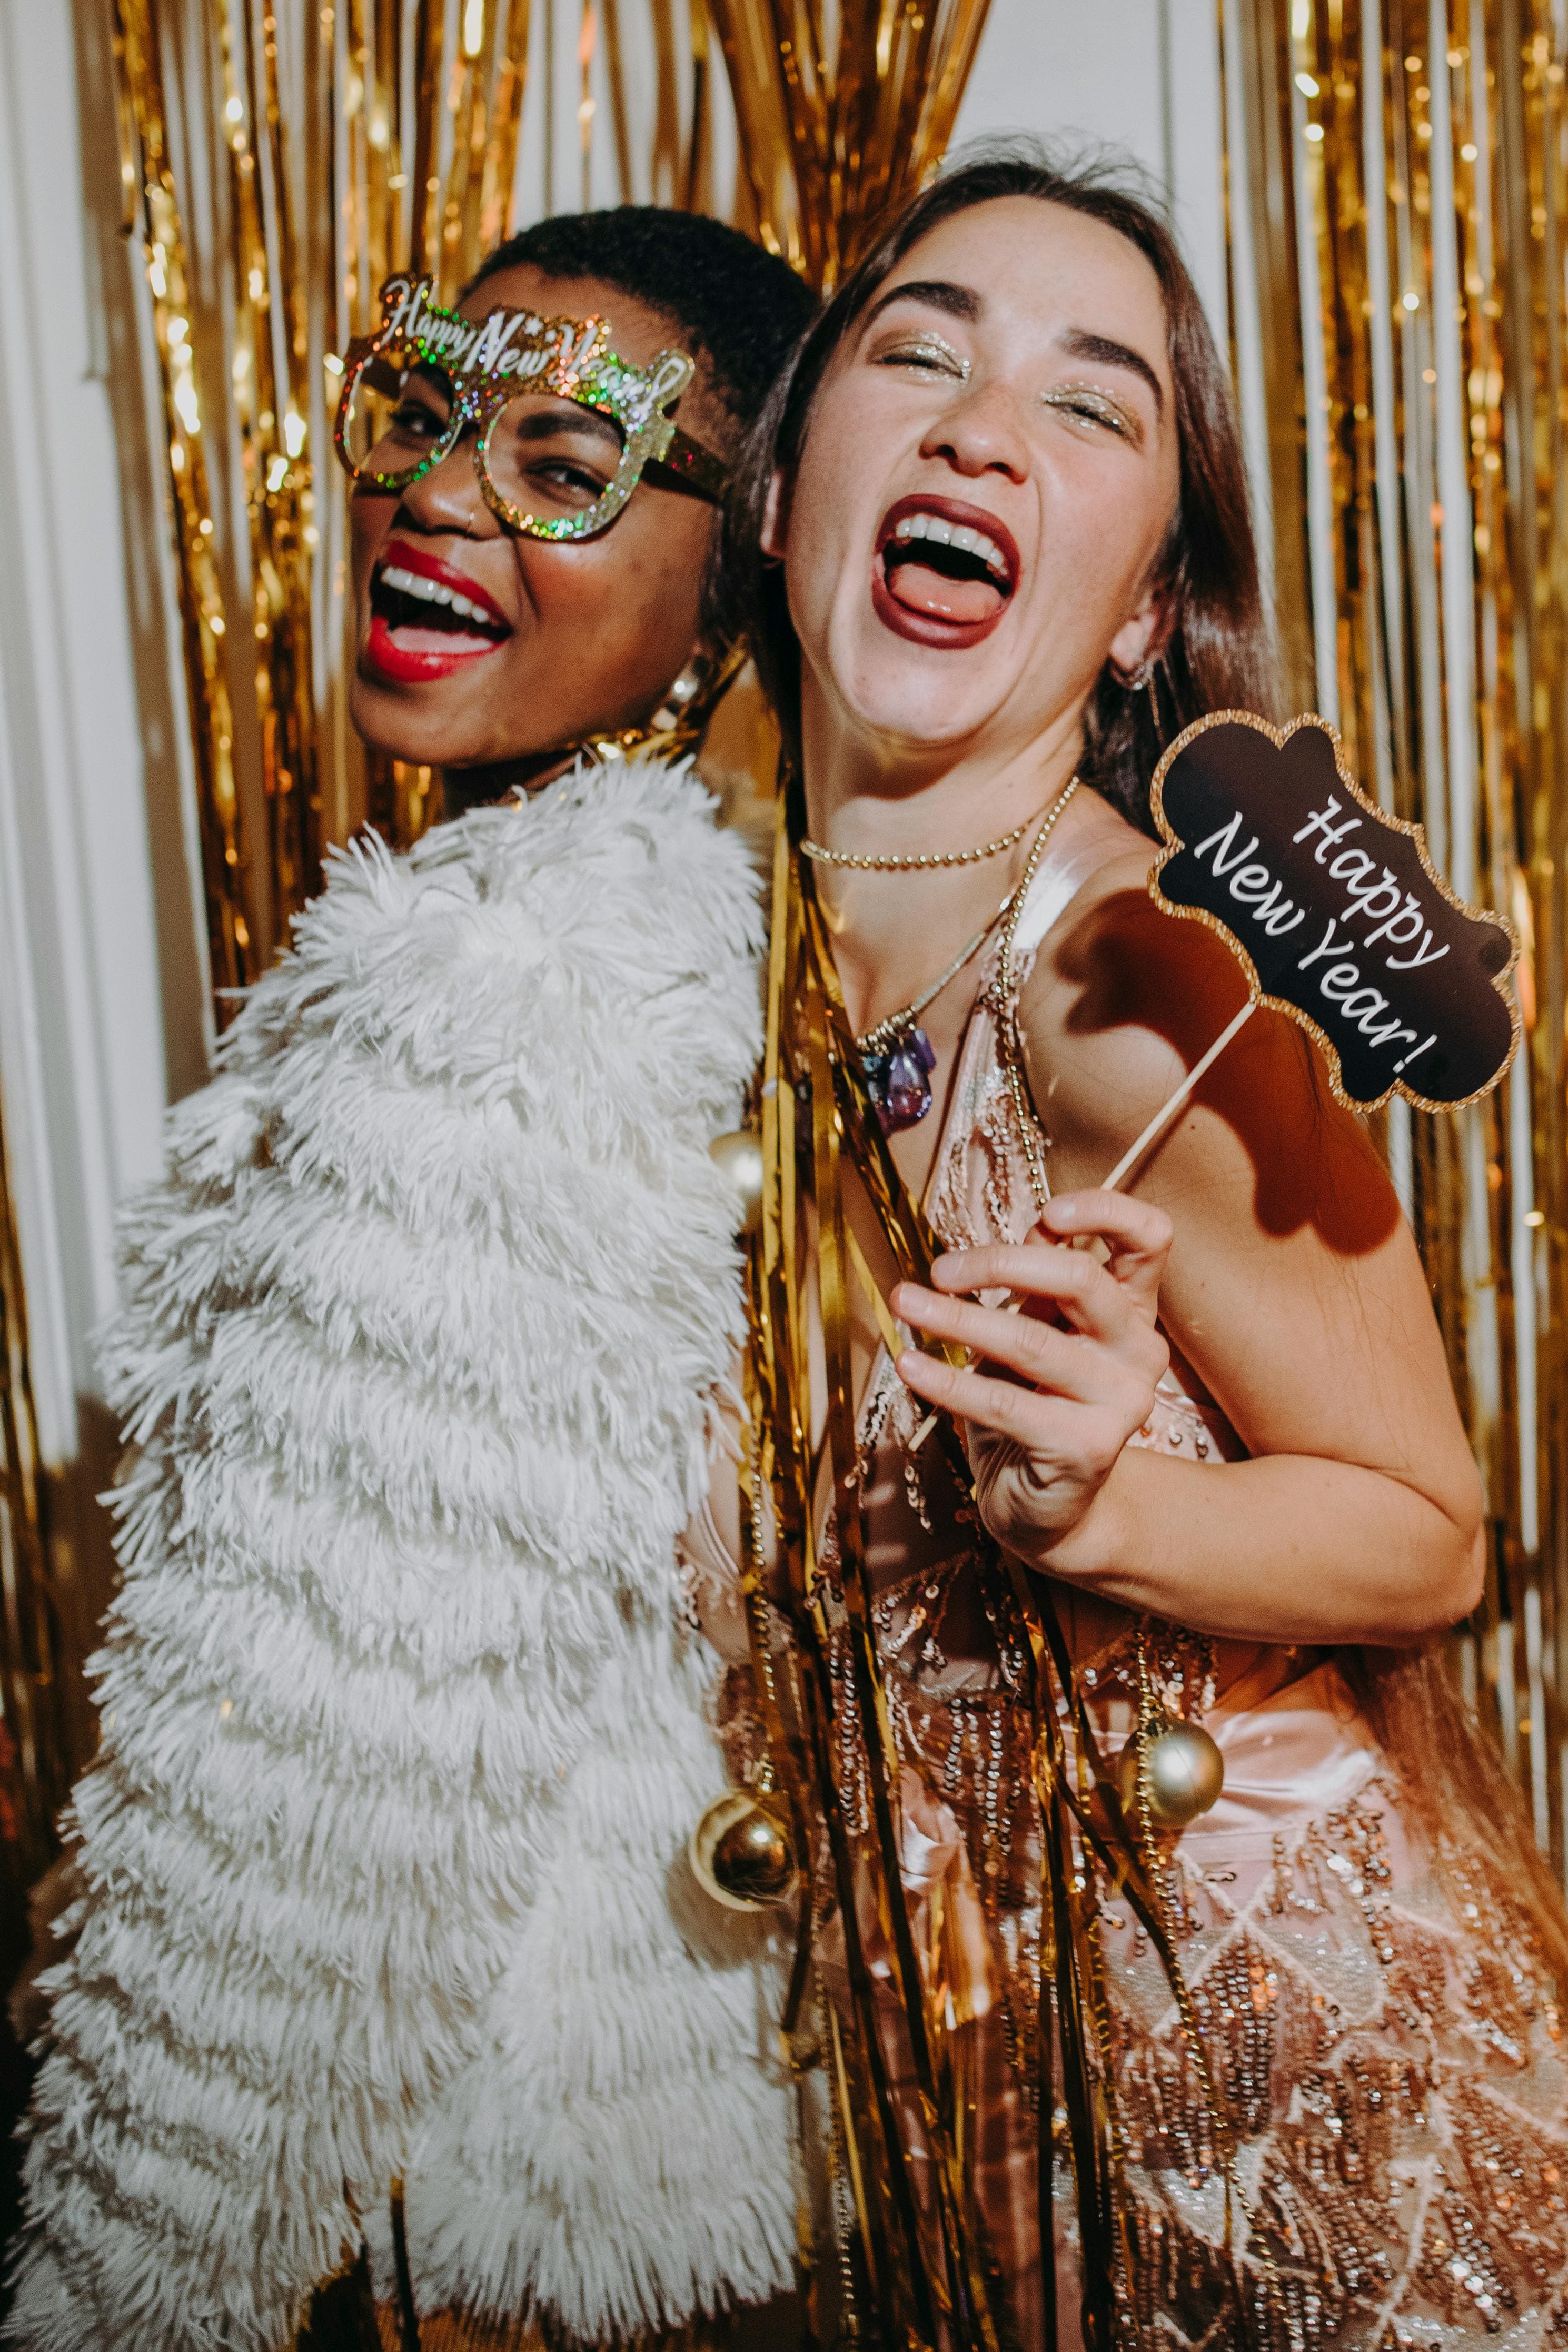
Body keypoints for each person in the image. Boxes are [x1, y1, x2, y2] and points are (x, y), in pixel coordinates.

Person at [696, 145, 1568, 2349]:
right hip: (962, 2112)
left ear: (1146, 608)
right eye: (921, 354)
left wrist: (1108, 1503)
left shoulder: (1136, 979)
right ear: (790, 499)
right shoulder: (707, 948)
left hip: (1299, 2107)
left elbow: (1423, 1532)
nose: (985, 427)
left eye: (1091, 406)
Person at [8, 207, 816, 2352]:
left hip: (434, 2221)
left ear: (729, 584)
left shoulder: (498, 976)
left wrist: (127, 2289)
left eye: (567, 465)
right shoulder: (675, 920)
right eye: (426, 412)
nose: (444, 496)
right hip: (624, 2186)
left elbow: (320, 1792)